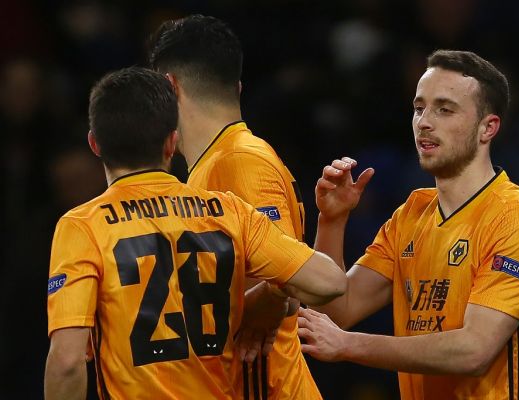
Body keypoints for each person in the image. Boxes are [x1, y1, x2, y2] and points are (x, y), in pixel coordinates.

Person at [44, 67, 346, 400]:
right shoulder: (228, 211)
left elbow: (69, 361)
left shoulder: (83, 226)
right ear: (172, 142)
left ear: (95, 144)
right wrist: (275, 294)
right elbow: (330, 281)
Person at [298, 50, 519, 399]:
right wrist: (332, 221)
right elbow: (335, 311)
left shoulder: (517, 218)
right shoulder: (412, 213)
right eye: (419, 107)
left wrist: (349, 345)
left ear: (488, 128)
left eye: (444, 109)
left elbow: (473, 350)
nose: (424, 122)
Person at [148, 15, 322, 400]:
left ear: (169, 86)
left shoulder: (239, 161)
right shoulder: (208, 168)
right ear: (237, 87)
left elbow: (289, 280)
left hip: (266, 388)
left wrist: (274, 295)